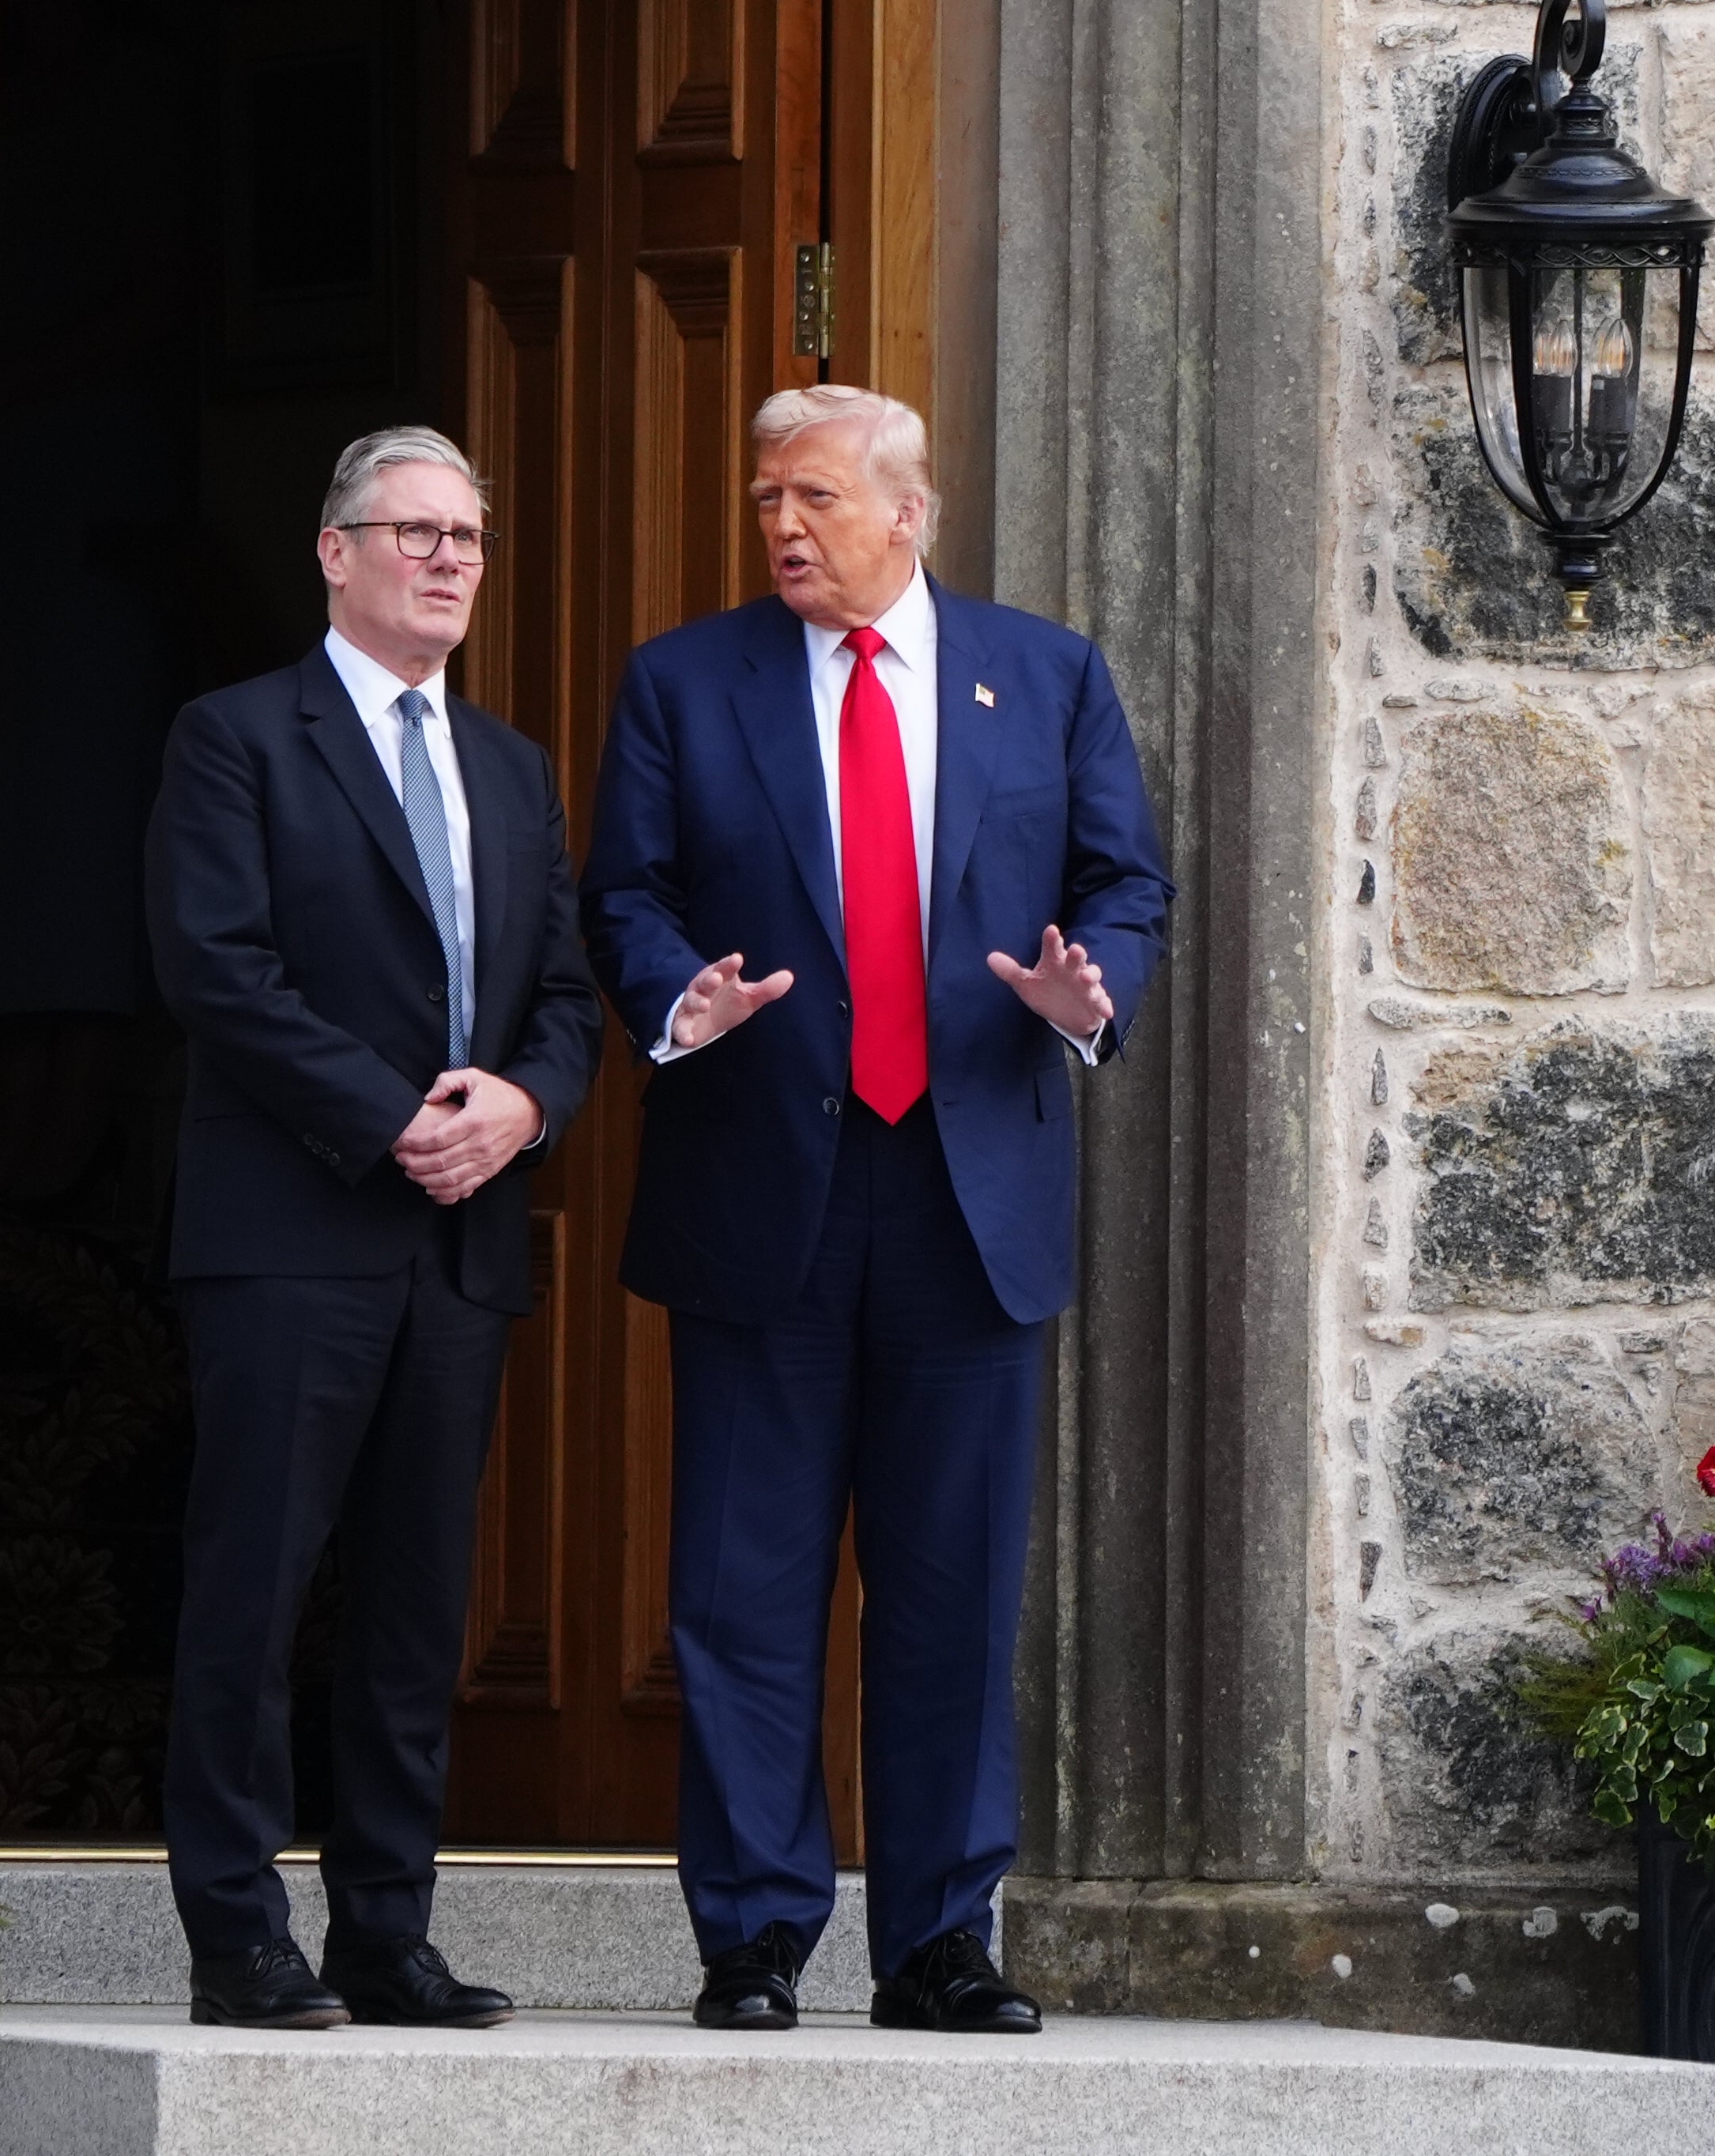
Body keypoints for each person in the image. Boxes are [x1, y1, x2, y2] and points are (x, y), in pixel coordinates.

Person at [578, 386, 1174, 2035]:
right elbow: (618, 888)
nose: (780, 522)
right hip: (760, 1179)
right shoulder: (684, 680)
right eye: (765, 494)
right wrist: (675, 995)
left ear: (909, 511)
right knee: (741, 1586)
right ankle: (755, 1933)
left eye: (816, 496)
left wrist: (1086, 991)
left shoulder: (1041, 674)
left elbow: (1126, 884)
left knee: (948, 1585)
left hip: (966, 1187)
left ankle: (933, 1938)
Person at [144, 426, 605, 2030]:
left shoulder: (512, 767)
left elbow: (561, 991)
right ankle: (232, 1932)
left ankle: (382, 1930)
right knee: (254, 1586)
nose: (444, 557)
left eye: (466, 535)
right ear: (332, 551)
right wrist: (391, 1109)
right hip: (291, 1228)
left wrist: (523, 1109)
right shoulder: (234, 738)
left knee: (418, 1602)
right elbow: (216, 966)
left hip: (460, 1241)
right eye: (410, 529)